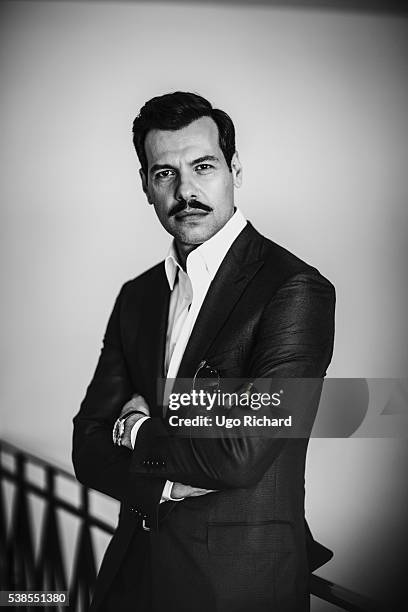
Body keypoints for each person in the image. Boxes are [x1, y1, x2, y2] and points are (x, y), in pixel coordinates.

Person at [72, 91, 335, 611]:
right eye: (165, 173)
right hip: (130, 576)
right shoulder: (139, 296)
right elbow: (87, 445)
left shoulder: (292, 289)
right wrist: (163, 488)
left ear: (235, 169)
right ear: (146, 185)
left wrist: (138, 429)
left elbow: (242, 454)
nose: (185, 190)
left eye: (203, 166)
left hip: (236, 586)